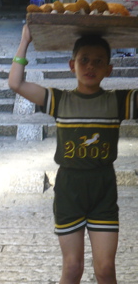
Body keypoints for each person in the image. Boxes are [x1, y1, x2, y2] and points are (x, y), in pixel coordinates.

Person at [8, 25, 138, 284]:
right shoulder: (59, 100)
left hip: (103, 189)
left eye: (99, 62)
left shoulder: (118, 101)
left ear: (109, 70)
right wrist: (24, 41)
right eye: (84, 60)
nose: (91, 67)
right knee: (72, 267)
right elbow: (16, 83)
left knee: (105, 269)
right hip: (69, 191)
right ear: (72, 65)